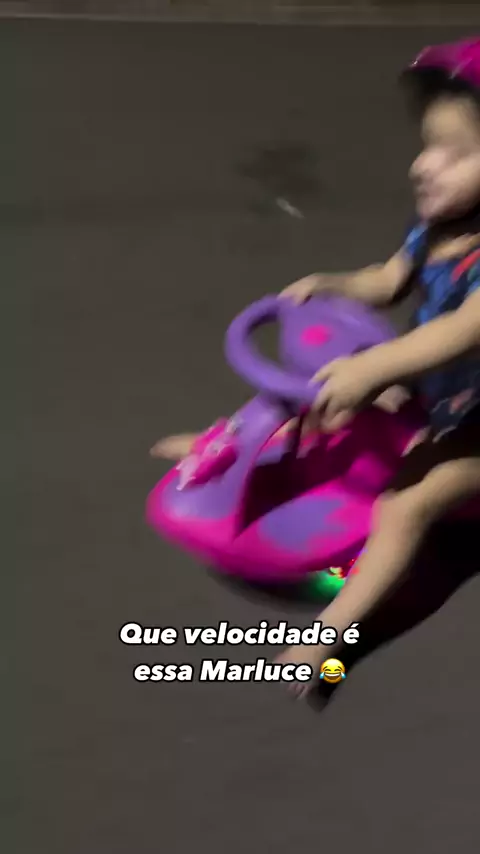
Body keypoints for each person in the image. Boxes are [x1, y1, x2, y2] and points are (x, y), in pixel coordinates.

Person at [152, 38, 480, 697]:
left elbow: (460, 330)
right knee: (329, 390)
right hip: (438, 395)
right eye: (426, 145)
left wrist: (376, 368)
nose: (423, 165)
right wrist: (337, 284)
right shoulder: (437, 229)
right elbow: (389, 279)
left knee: (405, 506)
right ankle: (239, 453)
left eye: (455, 152)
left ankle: (331, 636)